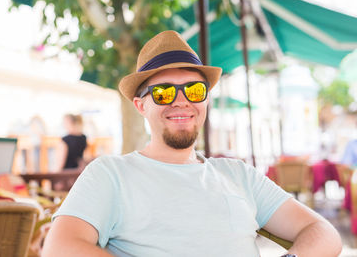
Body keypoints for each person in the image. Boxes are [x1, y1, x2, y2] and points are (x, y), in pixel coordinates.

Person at [43, 31, 341, 257]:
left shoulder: (239, 174)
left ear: (206, 100)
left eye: (194, 90)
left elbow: (323, 232)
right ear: (140, 105)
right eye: (162, 93)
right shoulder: (111, 173)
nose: (181, 101)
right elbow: (59, 247)